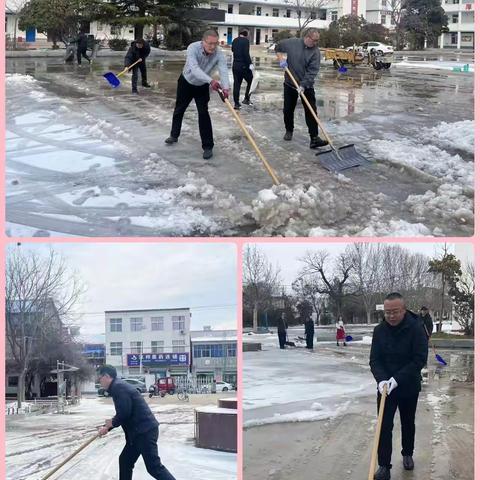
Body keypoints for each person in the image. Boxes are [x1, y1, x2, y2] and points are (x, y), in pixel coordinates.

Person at [369, 293, 428, 480]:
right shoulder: (379, 331)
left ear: (403, 310)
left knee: (407, 422)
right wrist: (381, 380)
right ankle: (384, 466)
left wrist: (397, 379)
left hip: (408, 385)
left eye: (395, 312)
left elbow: (419, 359)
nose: (391, 316)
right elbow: (374, 359)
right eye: (387, 313)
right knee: (384, 426)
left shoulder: (417, 328)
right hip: (386, 388)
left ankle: (407, 453)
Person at [97, 365, 176, 480]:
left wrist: (109, 426)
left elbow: (124, 413)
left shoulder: (118, 388)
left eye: (99, 378)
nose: (99, 381)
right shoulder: (118, 387)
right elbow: (123, 413)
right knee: (125, 461)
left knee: (154, 467)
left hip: (144, 432)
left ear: (106, 376)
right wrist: (106, 427)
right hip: (138, 433)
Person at [165, 30, 230, 160]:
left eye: (215, 43)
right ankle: (174, 135)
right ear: (203, 41)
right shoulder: (193, 48)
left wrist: (226, 88)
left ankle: (208, 146)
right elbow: (194, 69)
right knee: (179, 109)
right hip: (186, 82)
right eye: (210, 43)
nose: (212, 46)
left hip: (202, 86)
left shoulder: (219, 53)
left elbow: (223, 70)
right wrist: (211, 81)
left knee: (203, 113)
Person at [274, 29, 329, 149]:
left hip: (306, 86)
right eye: (314, 40)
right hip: (290, 83)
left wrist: (303, 85)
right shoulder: (292, 43)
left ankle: (314, 138)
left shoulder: (315, 52)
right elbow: (277, 47)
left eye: (317, 41)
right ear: (307, 38)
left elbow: (312, 71)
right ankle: (289, 131)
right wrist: (281, 58)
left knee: (311, 111)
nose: (316, 43)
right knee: (288, 109)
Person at [231, 30, 254, 110]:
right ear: (246, 35)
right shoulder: (246, 41)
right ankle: (246, 99)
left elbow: (232, 50)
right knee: (251, 81)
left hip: (235, 65)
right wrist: (250, 64)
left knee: (236, 84)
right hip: (243, 66)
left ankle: (236, 104)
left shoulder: (234, 40)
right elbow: (246, 54)